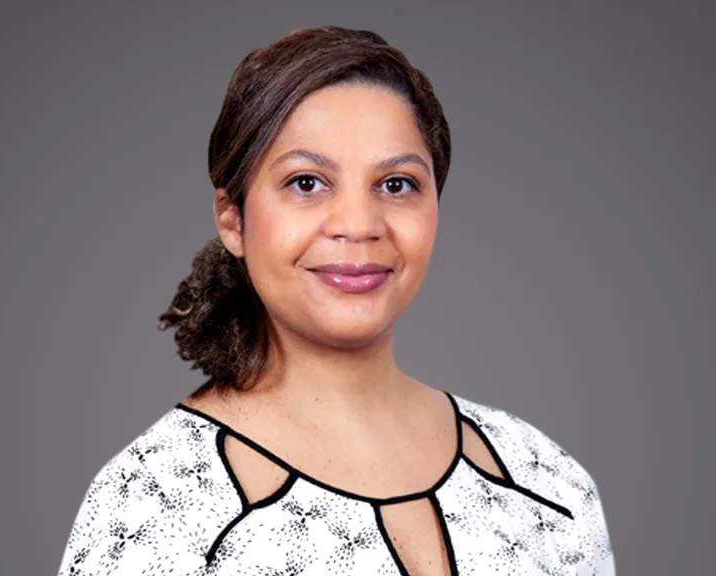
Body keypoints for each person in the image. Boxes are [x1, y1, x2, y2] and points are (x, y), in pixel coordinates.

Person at [56, 25, 614, 576]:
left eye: (396, 184)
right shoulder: (158, 500)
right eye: (306, 182)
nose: (358, 225)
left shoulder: (545, 481)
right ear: (233, 220)